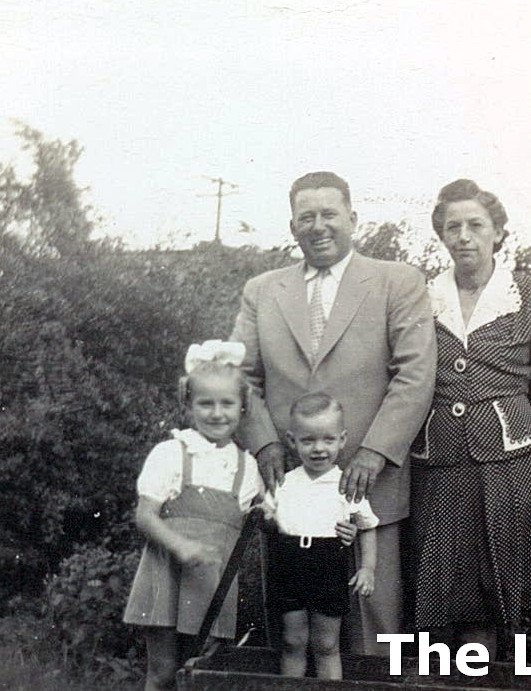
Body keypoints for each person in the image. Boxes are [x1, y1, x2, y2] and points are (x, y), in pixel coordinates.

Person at [231, 171, 437, 655]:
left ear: (353, 218)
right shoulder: (262, 290)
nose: (318, 226)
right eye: (307, 217)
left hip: (369, 484)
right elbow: (241, 376)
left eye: (329, 214)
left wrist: (375, 451)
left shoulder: (397, 281)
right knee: (294, 634)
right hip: (290, 485)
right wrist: (264, 443)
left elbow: (415, 373)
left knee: (372, 630)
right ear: (292, 226)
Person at [407, 179, 531, 657]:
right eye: (452, 227)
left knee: (490, 591)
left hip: (511, 465)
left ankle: (481, 678)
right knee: (440, 586)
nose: (463, 236)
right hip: (438, 463)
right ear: (441, 235)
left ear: (498, 232)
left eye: (476, 225)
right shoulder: (422, 296)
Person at [122, 341, 264, 691]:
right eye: (205, 403)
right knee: (163, 672)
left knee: (201, 673)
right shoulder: (172, 453)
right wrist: (181, 546)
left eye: (227, 403)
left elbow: (266, 516)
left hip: (212, 584)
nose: (217, 413)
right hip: (166, 575)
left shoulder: (247, 467)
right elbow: (145, 516)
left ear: (243, 406)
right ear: (188, 404)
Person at [262, 392, 378, 679]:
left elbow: (367, 527)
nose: (318, 449)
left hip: (328, 567)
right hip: (289, 565)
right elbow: (265, 521)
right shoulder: (285, 483)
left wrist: (367, 568)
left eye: (328, 440)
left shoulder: (346, 485)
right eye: (308, 440)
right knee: (293, 641)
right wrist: (266, 518)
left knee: (326, 644)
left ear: (342, 439)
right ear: (292, 441)